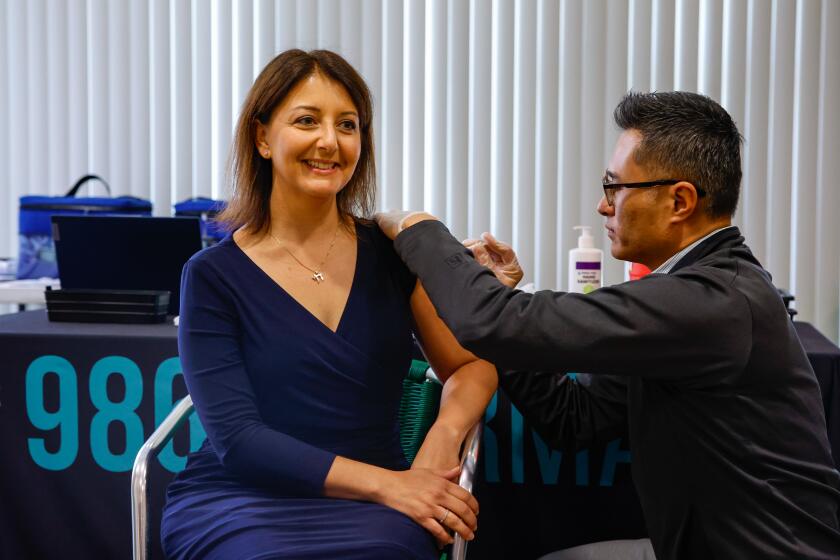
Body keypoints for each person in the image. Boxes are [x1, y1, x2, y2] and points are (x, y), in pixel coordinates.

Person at [376, 91, 840, 559]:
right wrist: (506, 305)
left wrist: (414, 226)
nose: (603, 206)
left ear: (680, 201)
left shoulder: (709, 301)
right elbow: (576, 419)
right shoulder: (699, 288)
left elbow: (490, 322)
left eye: (615, 188)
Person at [161, 49, 497, 560]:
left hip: (378, 508)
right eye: (306, 121)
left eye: (347, 125)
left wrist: (441, 439)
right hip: (241, 500)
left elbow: (470, 365)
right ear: (262, 137)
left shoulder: (394, 256)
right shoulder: (211, 276)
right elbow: (240, 441)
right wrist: (392, 486)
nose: (329, 141)